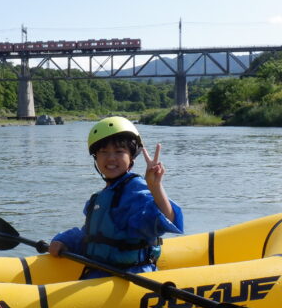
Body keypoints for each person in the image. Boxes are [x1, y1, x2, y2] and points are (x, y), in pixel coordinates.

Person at [49, 116, 184, 279]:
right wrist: (64, 240)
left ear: (131, 157)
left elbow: (164, 221)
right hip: (100, 274)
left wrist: (155, 187)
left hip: (131, 278)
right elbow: (91, 235)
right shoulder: (98, 198)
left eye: (119, 152)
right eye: (103, 152)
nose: (111, 158)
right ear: (96, 158)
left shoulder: (136, 190)